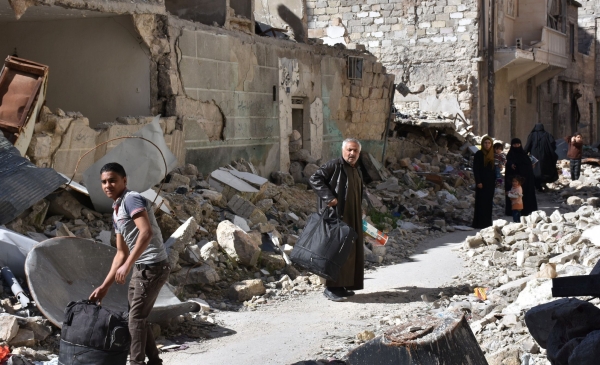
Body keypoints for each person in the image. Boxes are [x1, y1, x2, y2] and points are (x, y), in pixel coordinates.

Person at [89, 162, 169, 365]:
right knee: (138, 318)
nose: (108, 185)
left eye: (112, 180)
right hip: (141, 269)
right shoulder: (116, 210)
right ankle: (154, 362)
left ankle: (136, 363)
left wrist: (127, 266)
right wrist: (104, 287)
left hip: (153, 266)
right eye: (104, 182)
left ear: (124, 180)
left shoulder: (132, 199)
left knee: (135, 319)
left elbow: (146, 232)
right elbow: (120, 254)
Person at [309, 138, 364, 302]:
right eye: (349, 150)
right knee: (335, 249)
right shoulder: (334, 165)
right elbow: (315, 178)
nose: (352, 153)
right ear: (343, 150)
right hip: (337, 216)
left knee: (349, 251)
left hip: (352, 216)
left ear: (359, 153)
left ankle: (343, 285)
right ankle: (331, 288)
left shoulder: (355, 169)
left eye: (355, 151)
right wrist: (329, 198)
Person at [504, 138, 537, 216]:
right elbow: (508, 165)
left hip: (526, 179)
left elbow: (529, 165)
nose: (516, 146)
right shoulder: (510, 155)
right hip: (515, 180)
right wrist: (511, 165)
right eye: (514, 144)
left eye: (518, 144)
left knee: (526, 194)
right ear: (512, 145)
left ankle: (527, 210)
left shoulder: (524, 154)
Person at [525, 123, 559, 192]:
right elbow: (553, 144)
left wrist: (524, 153)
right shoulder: (547, 135)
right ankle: (543, 183)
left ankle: (537, 186)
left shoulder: (532, 135)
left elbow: (528, 145)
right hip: (545, 156)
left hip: (533, 156)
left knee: (535, 170)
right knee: (544, 170)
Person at [472, 136, 496, 229]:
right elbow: (476, 169)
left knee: (488, 203)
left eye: (489, 143)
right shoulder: (478, 154)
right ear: (482, 144)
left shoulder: (492, 154)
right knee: (480, 202)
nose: (487, 145)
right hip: (481, 182)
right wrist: (478, 181)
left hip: (490, 183)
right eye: (485, 143)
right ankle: (479, 223)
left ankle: (487, 223)